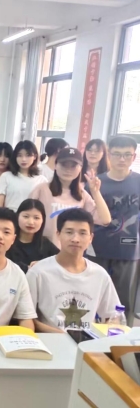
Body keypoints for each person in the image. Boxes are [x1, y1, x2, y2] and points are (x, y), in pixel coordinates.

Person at [27, 208, 120, 332]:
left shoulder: (100, 275)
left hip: (88, 342)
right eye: (69, 232)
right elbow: (27, 317)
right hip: (50, 341)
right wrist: (64, 336)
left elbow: (113, 316)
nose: (75, 239)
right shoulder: (38, 272)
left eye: (82, 233)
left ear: (91, 238)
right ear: (58, 234)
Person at [86, 136, 140, 326]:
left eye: (127, 155)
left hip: (129, 250)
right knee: (93, 297)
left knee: (124, 303)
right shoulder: (95, 183)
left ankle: (122, 339)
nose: (122, 159)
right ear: (109, 155)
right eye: (117, 154)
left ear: (134, 157)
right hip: (97, 248)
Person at [29, 147, 110, 248]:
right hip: (43, 249)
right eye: (64, 165)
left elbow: (105, 220)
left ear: (80, 168)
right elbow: (27, 217)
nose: (68, 170)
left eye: (73, 166)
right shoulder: (41, 189)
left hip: (72, 250)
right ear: (55, 165)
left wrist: (96, 192)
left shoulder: (82, 195)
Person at [6, 199, 59, 273]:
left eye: (36, 218)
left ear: (43, 220)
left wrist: (44, 264)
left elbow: (61, 261)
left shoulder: (45, 243)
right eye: (26, 216)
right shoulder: (8, 241)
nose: (31, 222)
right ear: (17, 216)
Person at [0, 140, 47, 212]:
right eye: (19, 155)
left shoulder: (41, 180)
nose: (23, 159)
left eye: (28, 155)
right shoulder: (6, 176)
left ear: (35, 156)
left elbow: (45, 206)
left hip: (31, 218)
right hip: (10, 217)